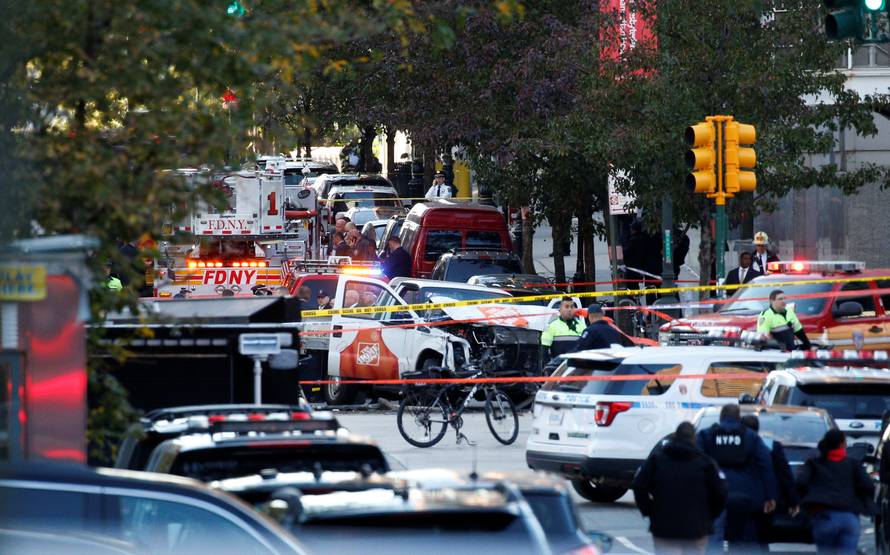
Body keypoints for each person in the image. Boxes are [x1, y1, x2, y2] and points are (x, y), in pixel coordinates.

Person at [633, 422, 727, 555]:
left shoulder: (657, 459)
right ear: (694, 438)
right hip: (697, 527)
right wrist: (709, 516)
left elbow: (639, 485)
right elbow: (720, 493)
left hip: (664, 526)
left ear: (675, 436)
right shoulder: (706, 463)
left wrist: (649, 510)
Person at [697, 404, 777, 552]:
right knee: (743, 540)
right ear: (739, 418)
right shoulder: (751, 436)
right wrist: (770, 496)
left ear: (721, 417)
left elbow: (695, 463)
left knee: (714, 538)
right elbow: (766, 465)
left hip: (715, 495)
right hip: (745, 496)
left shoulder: (706, 435)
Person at [797, 429, 875, 555]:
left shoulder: (814, 463)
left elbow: (801, 483)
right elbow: (868, 486)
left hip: (824, 516)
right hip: (849, 517)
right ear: (842, 444)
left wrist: (806, 502)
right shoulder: (853, 464)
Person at [741, 415, 799, 550]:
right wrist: (793, 501)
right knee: (762, 540)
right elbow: (784, 474)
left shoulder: (734, 445)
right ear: (757, 428)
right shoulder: (771, 445)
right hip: (765, 500)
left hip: (739, 498)